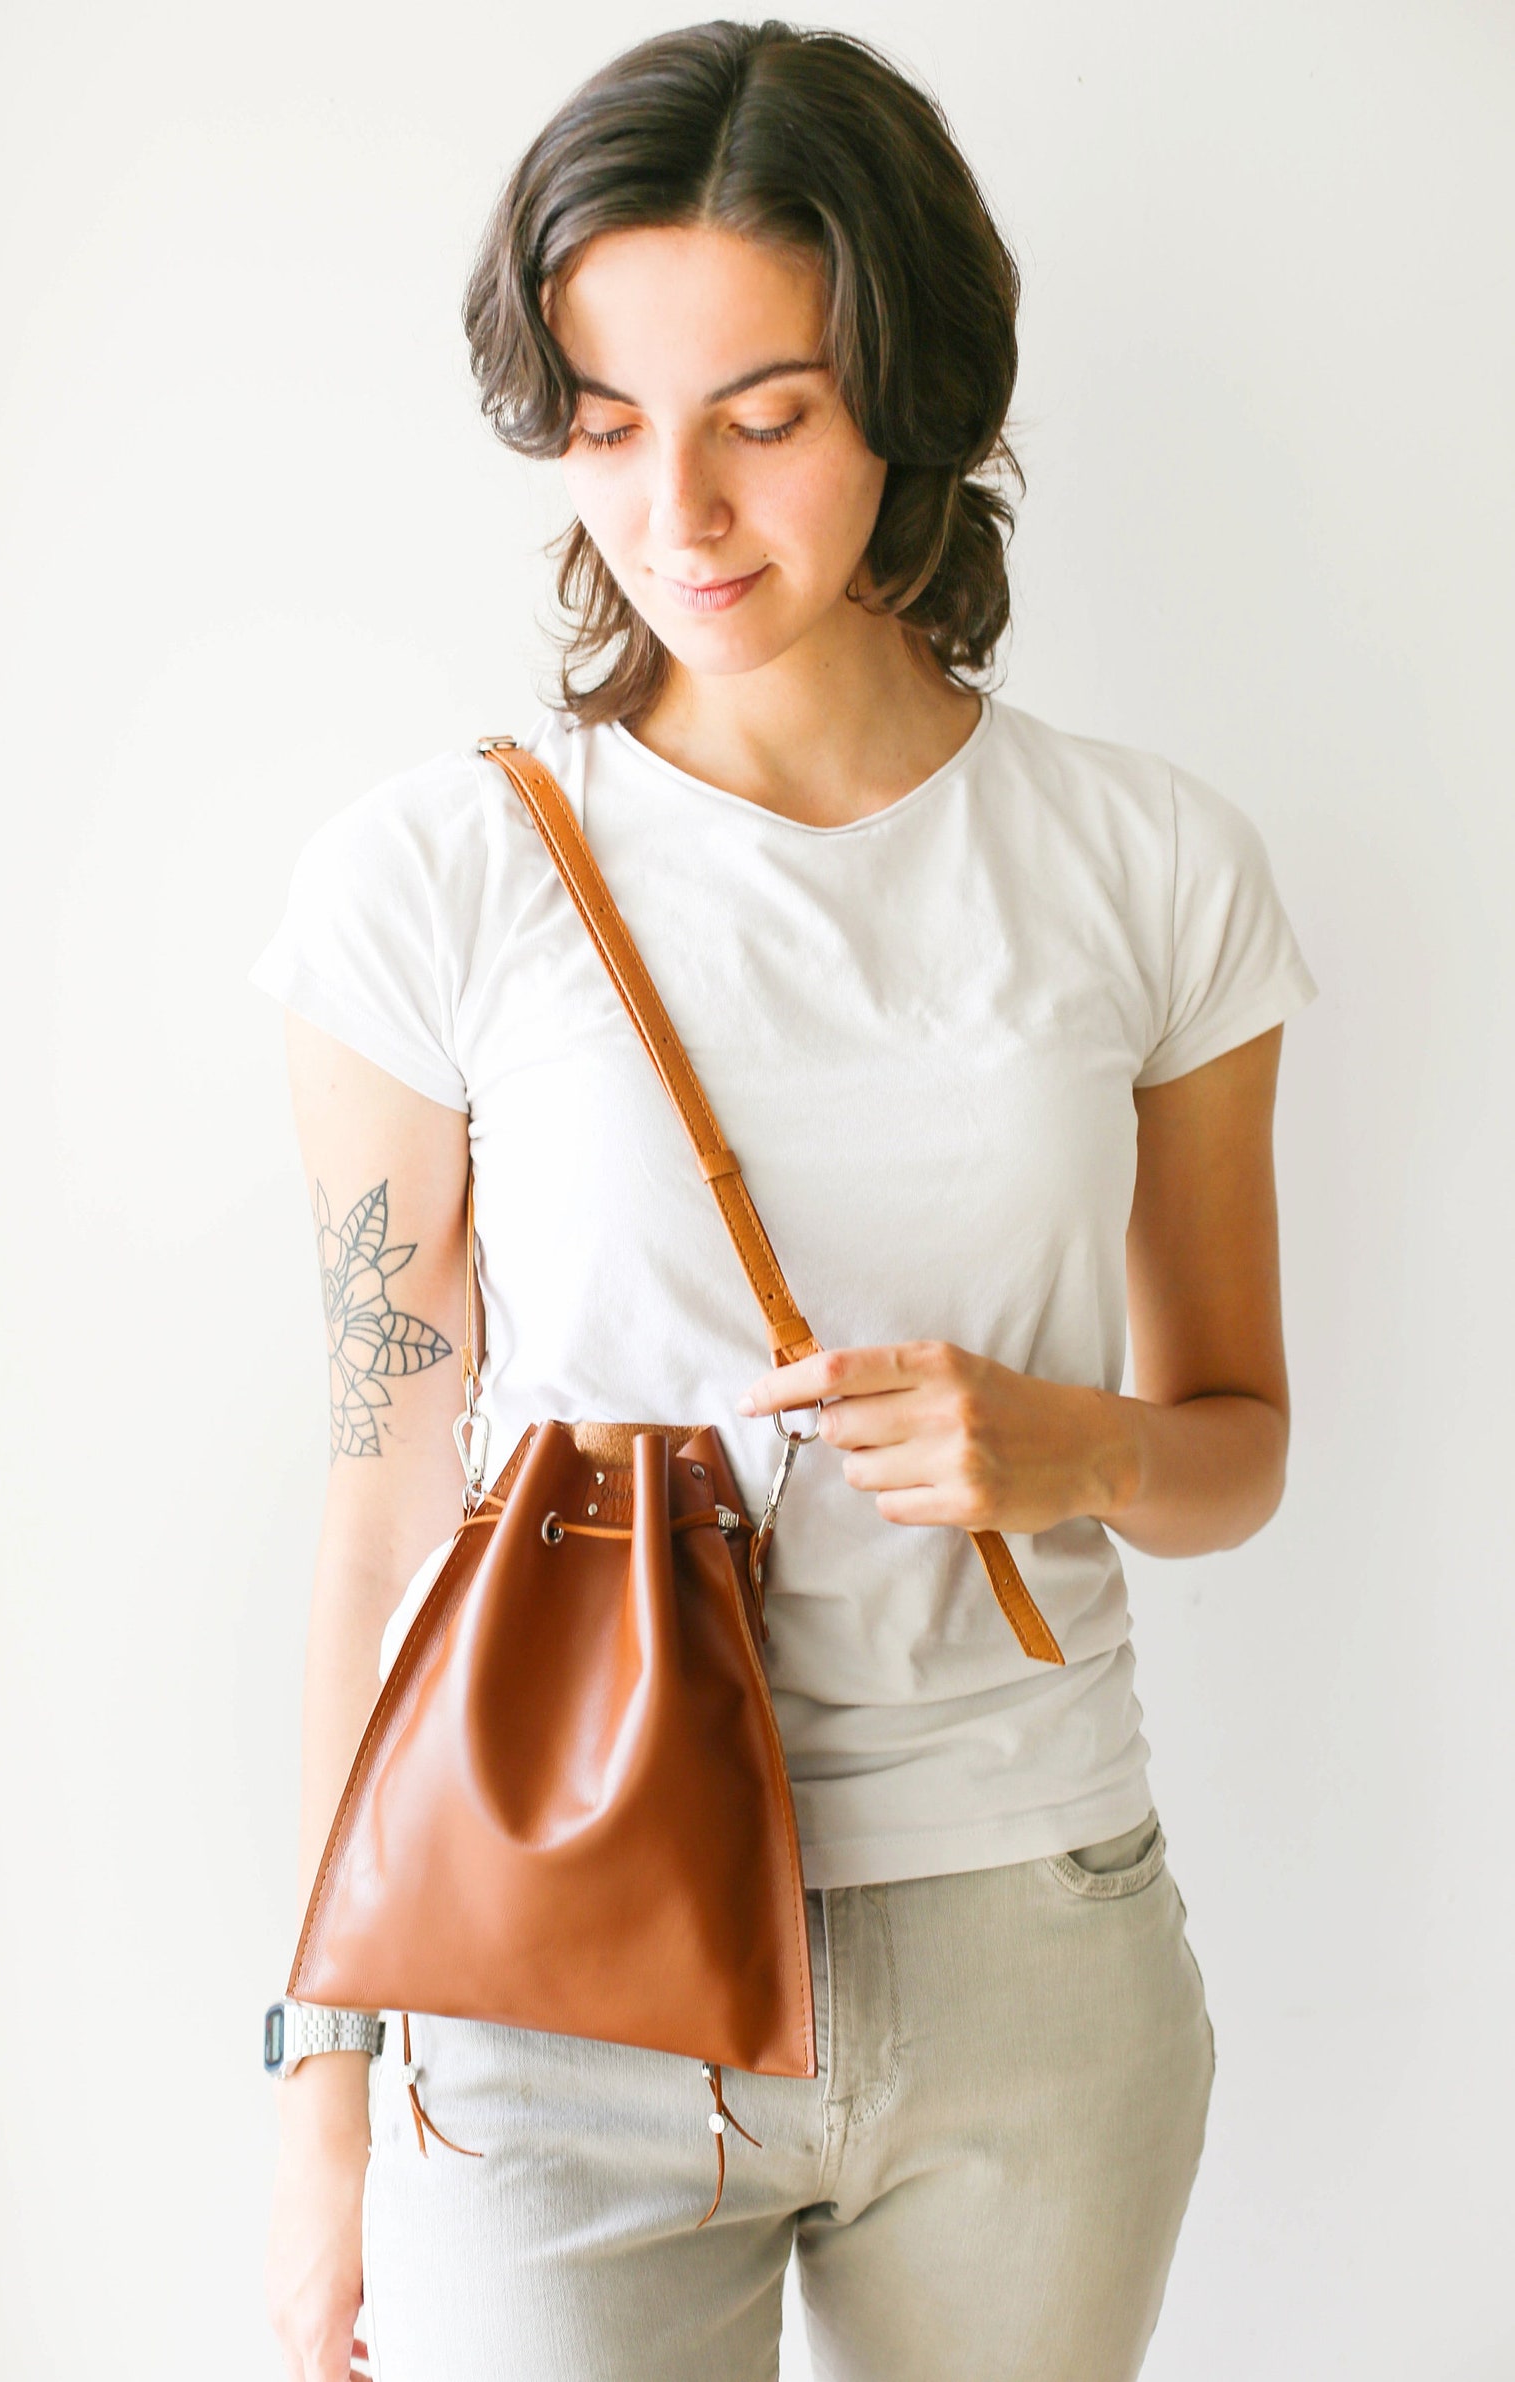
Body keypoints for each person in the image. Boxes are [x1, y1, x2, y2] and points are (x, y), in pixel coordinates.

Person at [250, 21, 1317, 2382]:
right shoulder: (436, 882)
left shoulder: (1147, 869)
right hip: (545, 1965)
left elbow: (1236, 1438)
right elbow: (377, 1512)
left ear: (908, 400)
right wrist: (321, 2097)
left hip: (1027, 1946)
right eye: (608, 424)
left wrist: (1081, 1448)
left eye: (764, 416)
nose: (681, 515)